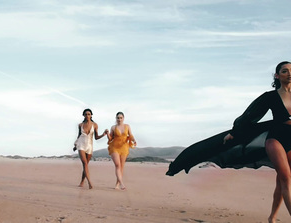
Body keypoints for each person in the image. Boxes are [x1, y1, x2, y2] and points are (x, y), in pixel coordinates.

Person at [166, 61, 291, 223]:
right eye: (284, 71)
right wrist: (235, 132)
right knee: (286, 177)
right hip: (275, 138)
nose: (289, 73)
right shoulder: (270, 96)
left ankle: (272, 217)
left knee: (282, 180)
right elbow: (250, 114)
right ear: (277, 75)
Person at [74, 108, 108, 189]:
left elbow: (96, 137)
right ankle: (90, 183)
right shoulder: (80, 125)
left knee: (85, 165)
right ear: (83, 115)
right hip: (81, 145)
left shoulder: (95, 125)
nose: (87, 116)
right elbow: (78, 136)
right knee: (85, 164)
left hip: (89, 147)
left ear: (91, 115)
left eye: (89, 114)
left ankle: (82, 182)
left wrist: (103, 134)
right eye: (86, 114)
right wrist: (75, 145)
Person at [107, 112, 136, 190]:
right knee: (117, 165)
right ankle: (122, 184)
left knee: (121, 167)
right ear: (116, 118)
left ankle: (117, 184)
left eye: (120, 118)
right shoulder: (113, 127)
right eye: (118, 118)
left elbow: (131, 135)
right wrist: (107, 134)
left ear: (123, 118)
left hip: (124, 147)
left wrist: (133, 140)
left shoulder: (127, 126)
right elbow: (110, 138)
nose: (119, 119)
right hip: (115, 147)